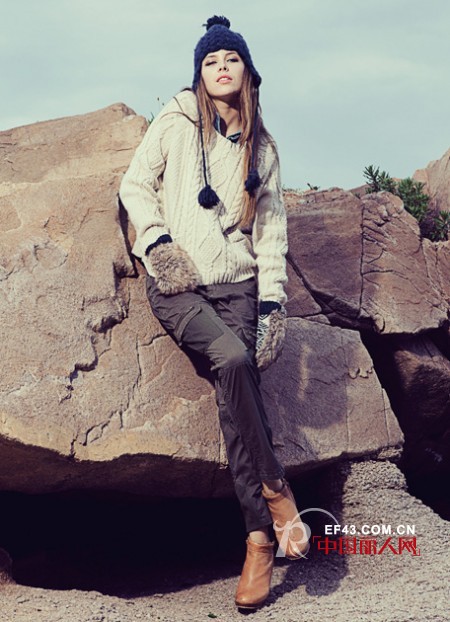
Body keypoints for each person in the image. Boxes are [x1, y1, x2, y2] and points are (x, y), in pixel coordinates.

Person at [119, 14, 309, 610]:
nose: (221, 68)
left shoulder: (263, 149)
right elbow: (134, 186)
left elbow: (271, 232)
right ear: (198, 74)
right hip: (178, 285)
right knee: (232, 357)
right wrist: (158, 246)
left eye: (230, 60)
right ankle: (277, 491)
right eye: (210, 61)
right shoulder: (177, 119)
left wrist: (272, 302)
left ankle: (258, 543)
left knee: (235, 395)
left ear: (247, 72)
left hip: (239, 287)